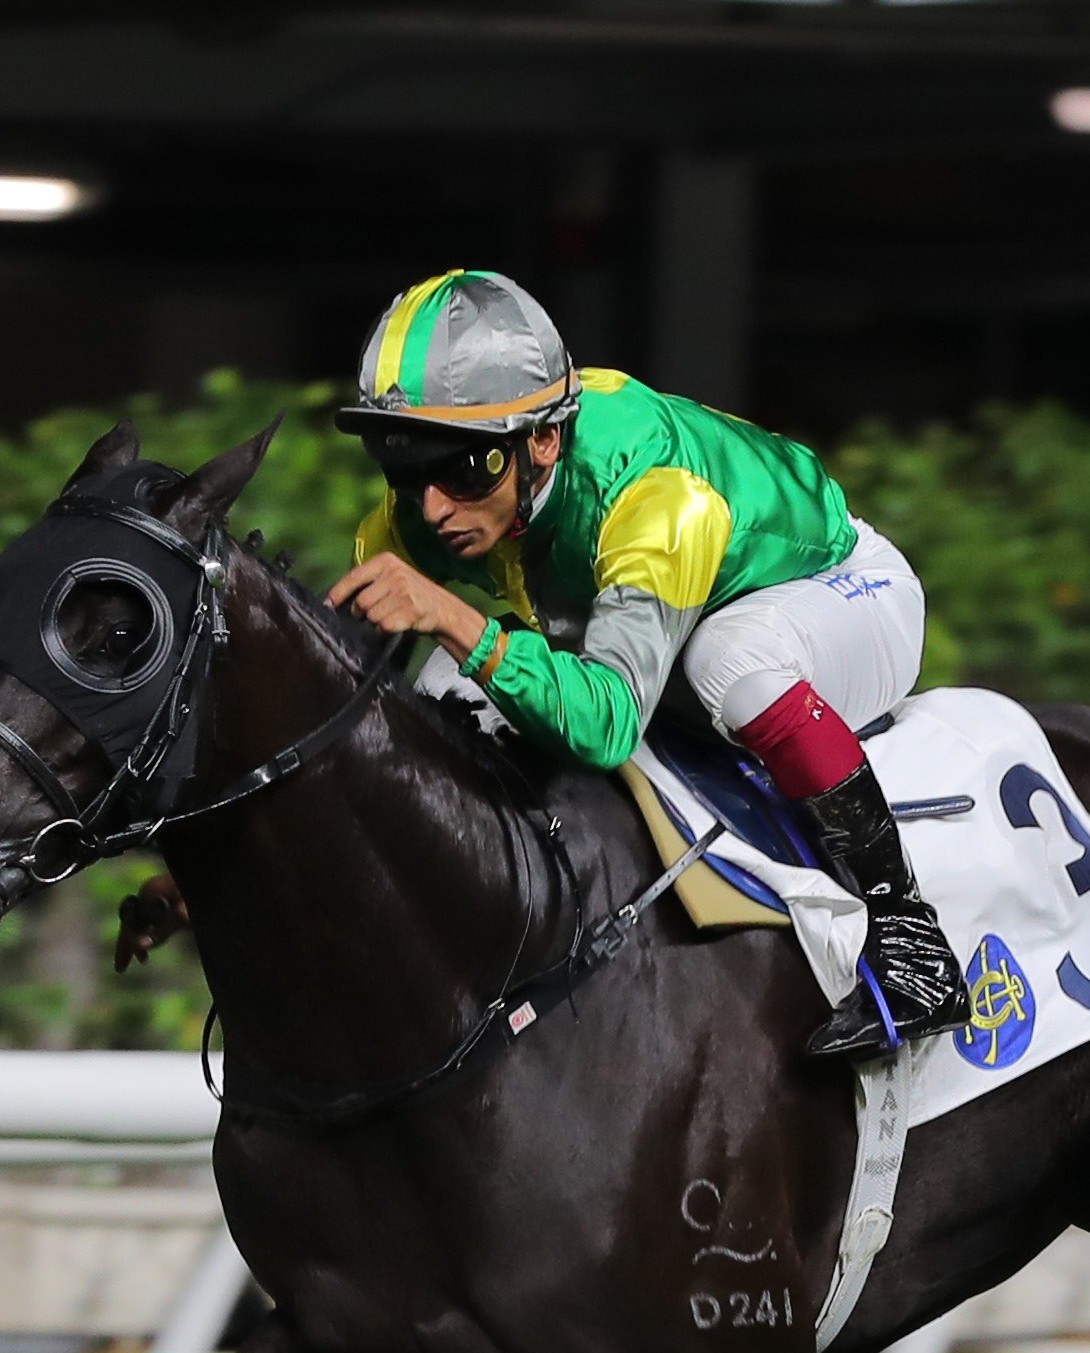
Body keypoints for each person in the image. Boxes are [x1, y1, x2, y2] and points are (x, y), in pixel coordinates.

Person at [321, 268, 965, 1060]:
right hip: (655, 601)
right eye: (404, 465)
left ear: (544, 440)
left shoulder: (656, 497)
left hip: (839, 592)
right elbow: (337, 721)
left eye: (465, 470)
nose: (432, 508)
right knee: (436, 686)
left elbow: (605, 727)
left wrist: (460, 620)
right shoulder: (437, 499)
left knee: (725, 661)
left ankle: (912, 939)